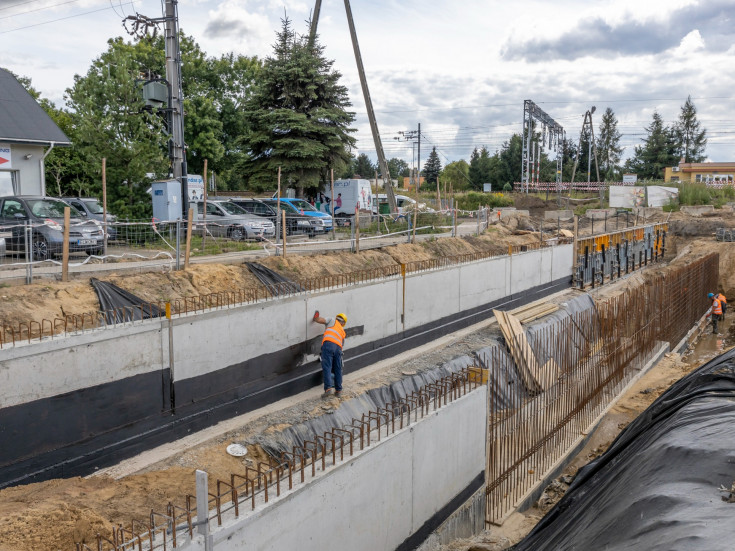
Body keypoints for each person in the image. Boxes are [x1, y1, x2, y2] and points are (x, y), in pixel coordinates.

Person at [313, 312, 348, 397]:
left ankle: (328, 389)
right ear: (343, 323)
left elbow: (320, 320)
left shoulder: (332, 320)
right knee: (338, 369)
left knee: (327, 367)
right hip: (338, 349)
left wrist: (315, 318)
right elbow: (342, 343)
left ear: (337, 318)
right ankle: (338, 391)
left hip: (329, 345)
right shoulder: (342, 331)